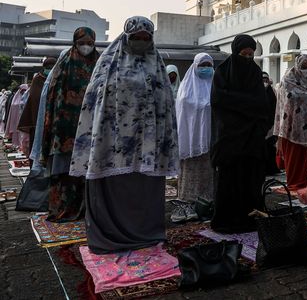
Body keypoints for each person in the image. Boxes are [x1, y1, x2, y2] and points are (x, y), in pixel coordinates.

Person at [71, 18, 177, 253]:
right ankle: (111, 233)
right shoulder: (108, 65)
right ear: (126, 38)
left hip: (148, 145)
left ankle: (146, 232)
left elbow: (166, 105)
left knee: (143, 190)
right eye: (135, 38)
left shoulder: (157, 66)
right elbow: (95, 105)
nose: (140, 42)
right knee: (115, 190)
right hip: (111, 144)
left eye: (145, 38)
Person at [209, 34, 271, 232]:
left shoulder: (254, 72)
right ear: (236, 53)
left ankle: (250, 219)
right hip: (230, 139)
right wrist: (246, 106)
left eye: (251, 55)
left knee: (251, 181)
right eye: (243, 54)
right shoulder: (223, 72)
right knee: (229, 182)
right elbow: (219, 100)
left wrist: (239, 104)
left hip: (252, 139)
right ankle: (227, 221)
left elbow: (262, 105)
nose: (247, 59)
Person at [39, 29, 98, 222]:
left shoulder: (99, 64)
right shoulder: (64, 64)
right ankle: (64, 207)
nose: (86, 46)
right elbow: (53, 98)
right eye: (82, 42)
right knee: (65, 171)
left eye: (90, 42)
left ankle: (87, 208)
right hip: (65, 129)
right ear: (75, 42)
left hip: (91, 128)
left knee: (88, 171)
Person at [176, 53, 215, 205]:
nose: (205, 69)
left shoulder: (217, 86)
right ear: (195, 67)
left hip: (211, 140)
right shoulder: (185, 91)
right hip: (191, 142)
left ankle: (209, 201)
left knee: (209, 172)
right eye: (202, 65)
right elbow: (183, 116)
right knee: (192, 173)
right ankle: (189, 199)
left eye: (208, 66)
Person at [274, 54, 307, 191]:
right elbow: (285, 103)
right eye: (304, 67)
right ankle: (294, 182)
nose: (306, 70)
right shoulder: (288, 81)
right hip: (292, 127)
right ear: (297, 66)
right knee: (295, 157)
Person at [17, 57, 57, 156]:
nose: (50, 69)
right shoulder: (37, 79)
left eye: (53, 67)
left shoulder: (58, 78)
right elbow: (34, 99)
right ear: (44, 67)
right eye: (48, 67)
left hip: (54, 118)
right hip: (37, 119)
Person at [262, 71, 280, 175]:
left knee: (271, 148)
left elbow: (276, 107)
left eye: (266, 79)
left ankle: (271, 168)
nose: (264, 82)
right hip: (260, 125)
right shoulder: (256, 92)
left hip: (271, 125)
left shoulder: (272, 92)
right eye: (262, 79)